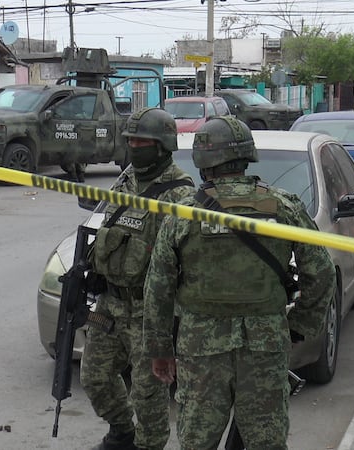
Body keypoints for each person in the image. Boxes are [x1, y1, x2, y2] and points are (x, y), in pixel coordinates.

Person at [142, 116, 336, 450]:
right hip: (265, 346)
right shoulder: (283, 206)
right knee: (266, 442)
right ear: (247, 158)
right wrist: (298, 325)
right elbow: (321, 272)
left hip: (200, 348)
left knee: (197, 443)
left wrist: (160, 350)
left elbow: (158, 287)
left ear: (203, 162)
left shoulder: (184, 213)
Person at [81, 107, 195, 450]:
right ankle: (121, 432)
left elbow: (186, 260)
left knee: (148, 396)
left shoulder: (180, 193)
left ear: (162, 146)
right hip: (110, 303)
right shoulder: (126, 179)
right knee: (95, 377)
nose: (133, 147)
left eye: (140, 142)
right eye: (129, 141)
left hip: (150, 310)